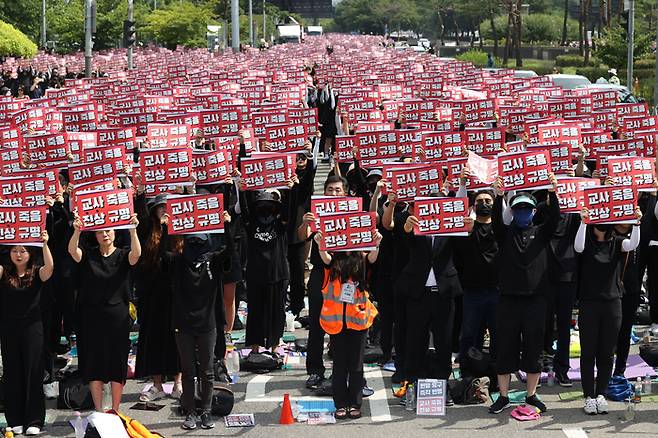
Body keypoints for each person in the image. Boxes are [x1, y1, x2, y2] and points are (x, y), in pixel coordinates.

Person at [489, 173, 560, 415]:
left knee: (533, 348)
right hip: (508, 299)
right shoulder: (505, 233)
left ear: (532, 212)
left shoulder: (541, 233)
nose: (522, 212)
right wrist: (499, 197)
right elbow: (497, 222)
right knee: (505, 347)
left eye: (526, 209)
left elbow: (555, 218)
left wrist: (552, 191)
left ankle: (531, 395)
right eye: (518, 208)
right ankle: (504, 396)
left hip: (536, 301)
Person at [159, 220, 229, 430]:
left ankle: (206, 412)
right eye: (192, 242)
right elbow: (163, 255)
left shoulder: (213, 262)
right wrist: (166, 229)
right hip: (183, 325)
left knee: (207, 371)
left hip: (207, 324)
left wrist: (225, 225)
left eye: (200, 241)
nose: (196, 246)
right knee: (188, 371)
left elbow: (230, 254)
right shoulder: (178, 262)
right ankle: (190, 412)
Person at [68, 214, 141, 412]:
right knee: (94, 363)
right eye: (100, 231)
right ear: (95, 235)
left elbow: (136, 255)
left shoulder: (123, 254)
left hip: (118, 316)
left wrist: (133, 230)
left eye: (108, 230)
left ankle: (116, 409)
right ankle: (99, 409)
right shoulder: (89, 255)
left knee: (117, 362)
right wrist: (77, 230)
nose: (104, 234)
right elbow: (73, 252)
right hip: (91, 316)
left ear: (115, 232)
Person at [575, 207, 641, 414]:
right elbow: (577, 247)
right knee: (588, 352)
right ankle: (588, 396)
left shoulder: (617, 241)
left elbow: (634, 243)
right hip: (589, 303)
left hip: (613, 303)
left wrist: (637, 223)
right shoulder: (586, 242)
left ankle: (601, 393)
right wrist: (583, 223)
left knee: (606, 352)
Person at [314, 234, 380, 420]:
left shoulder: (362, 259)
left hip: (358, 322)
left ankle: (355, 403)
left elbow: (373, 257)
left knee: (356, 365)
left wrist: (376, 243)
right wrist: (320, 244)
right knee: (340, 365)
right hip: (337, 324)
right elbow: (325, 257)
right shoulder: (333, 262)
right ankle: (341, 404)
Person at [0, 231, 53, 436]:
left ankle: (34, 420)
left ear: (30, 253)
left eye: (23, 250)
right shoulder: (4, 272)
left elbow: (50, 268)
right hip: (9, 328)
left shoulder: (37, 271)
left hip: (33, 328)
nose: (19, 254)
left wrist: (45, 244)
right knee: (12, 373)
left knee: (33, 372)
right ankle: (15, 419)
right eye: (14, 250)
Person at [299, 175, 348, 389]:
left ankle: (342, 369)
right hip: (320, 273)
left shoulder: (352, 213)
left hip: (346, 273)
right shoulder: (318, 213)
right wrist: (305, 223)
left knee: (344, 325)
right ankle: (315, 371)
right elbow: (303, 236)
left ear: (346, 193)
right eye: (330, 189)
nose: (334, 193)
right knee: (318, 326)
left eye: (338, 190)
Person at [134, 193, 182, 402]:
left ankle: (179, 382)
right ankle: (157, 384)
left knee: (176, 339)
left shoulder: (179, 231)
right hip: (151, 293)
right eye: (160, 207)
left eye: (167, 206)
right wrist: (141, 192)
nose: (164, 210)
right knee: (153, 338)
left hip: (174, 293)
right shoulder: (148, 230)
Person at [453, 188, 499, 375]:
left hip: (496, 291)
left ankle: (497, 373)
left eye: (488, 200)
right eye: (479, 201)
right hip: (472, 291)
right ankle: (468, 372)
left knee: (498, 334)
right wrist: (468, 232)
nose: (484, 204)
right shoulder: (466, 229)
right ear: (473, 205)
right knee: (470, 335)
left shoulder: (500, 228)